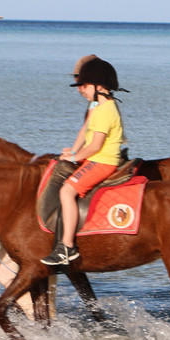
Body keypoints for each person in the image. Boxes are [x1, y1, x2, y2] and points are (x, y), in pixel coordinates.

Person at [42, 56, 125, 266]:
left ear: (99, 86)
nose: (81, 90)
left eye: (84, 85)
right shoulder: (99, 107)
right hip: (96, 159)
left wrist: (73, 157)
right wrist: (73, 151)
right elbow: (86, 133)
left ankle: (67, 247)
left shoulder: (105, 111)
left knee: (66, 190)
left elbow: (96, 146)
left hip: (102, 162)